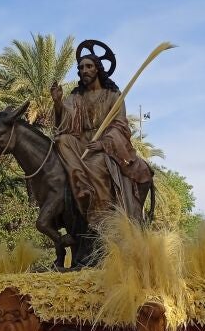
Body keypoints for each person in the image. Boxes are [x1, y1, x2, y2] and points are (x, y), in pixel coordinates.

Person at [51, 43, 151, 226]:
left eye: (88, 66)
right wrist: (58, 103)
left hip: (105, 145)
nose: (84, 70)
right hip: (81, 142)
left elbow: (120, 125)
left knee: (96, 164)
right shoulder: (76, 97)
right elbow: (66, 121)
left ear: (97, 68)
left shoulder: (113, 95)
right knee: (61, 140)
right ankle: (80, 183)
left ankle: (101, 214)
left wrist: (104, 143)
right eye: (80, 68)